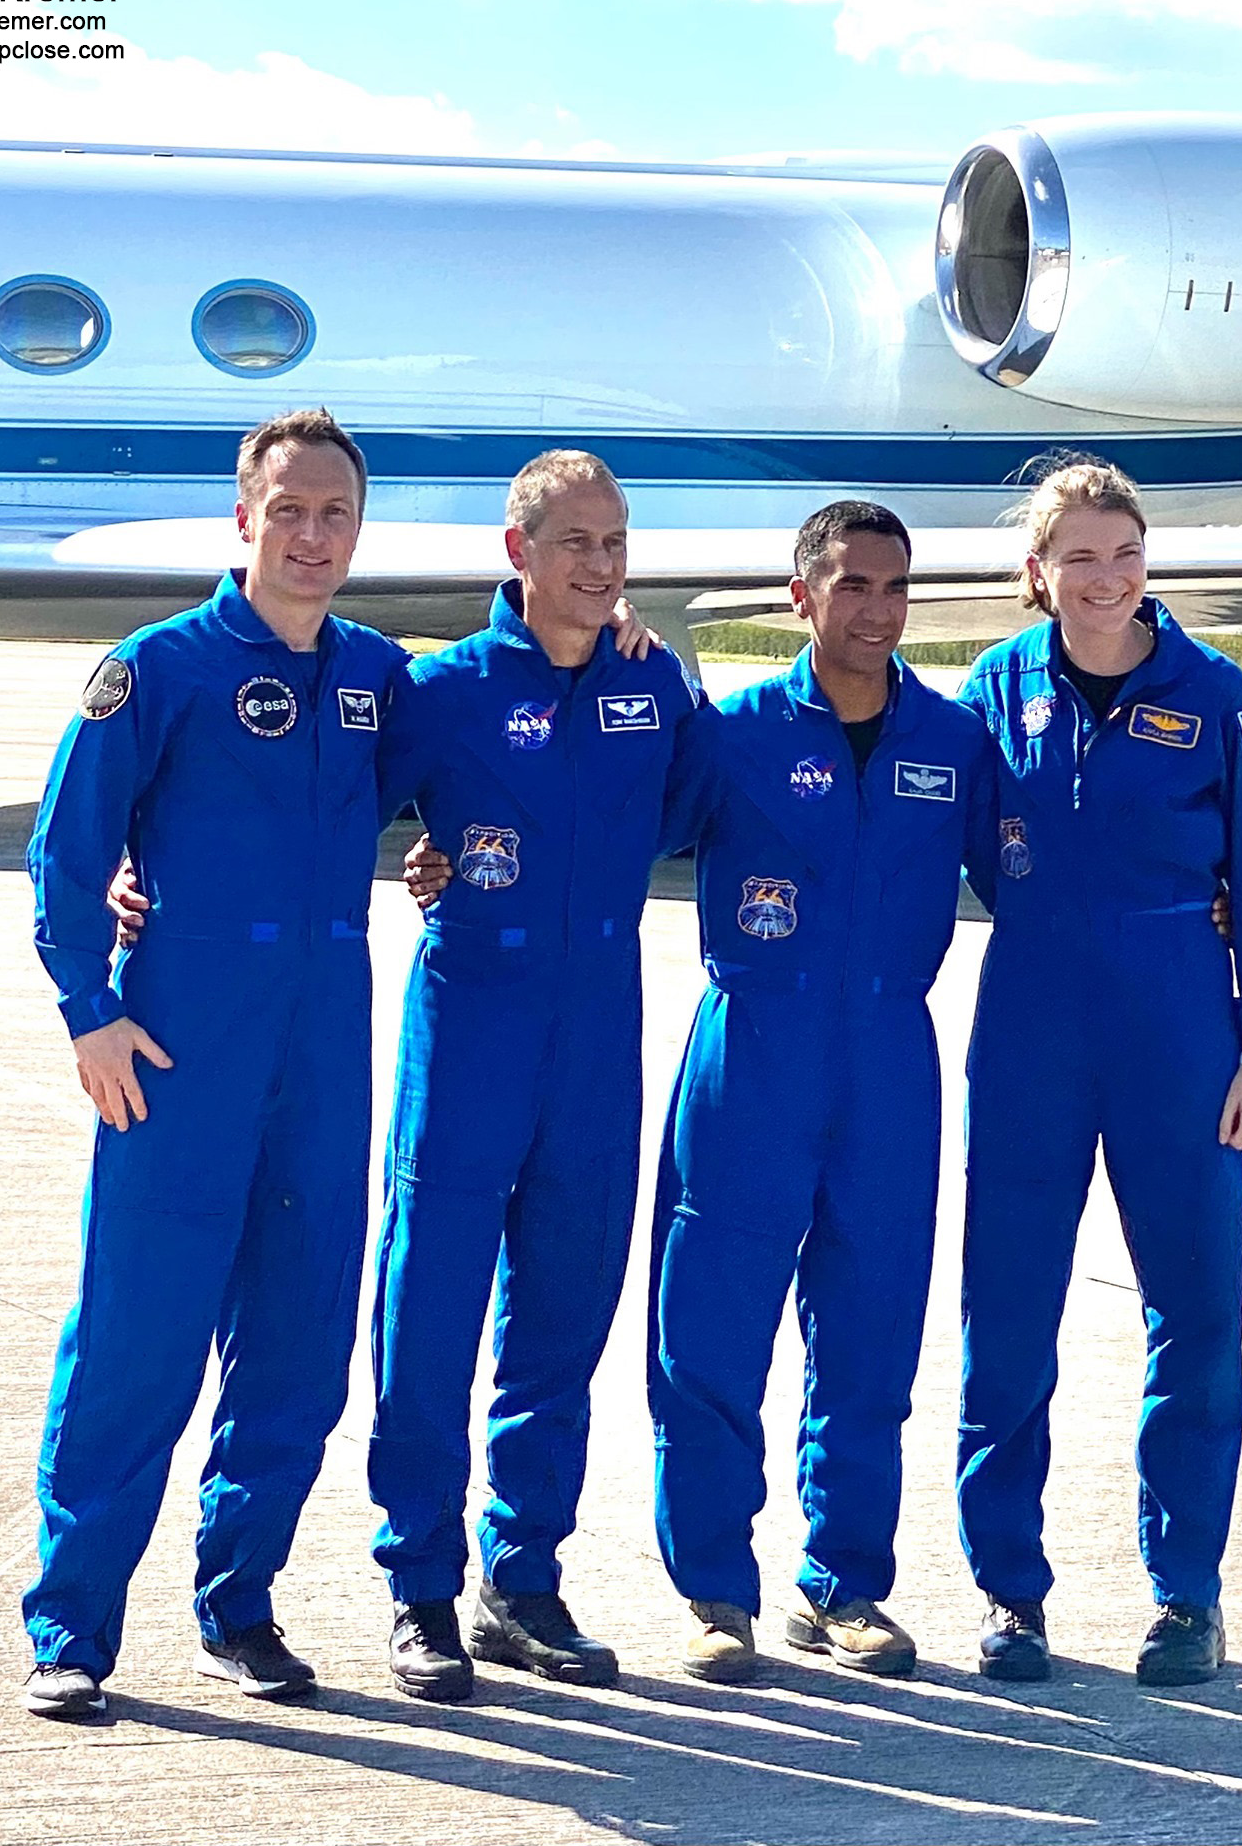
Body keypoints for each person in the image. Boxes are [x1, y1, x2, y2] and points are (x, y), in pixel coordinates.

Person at [20, 409, 409, 1718]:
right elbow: (70, 851)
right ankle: (71, 1625)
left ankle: (238, 1600)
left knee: (299, 1336)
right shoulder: (157, 670)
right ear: (243, 519)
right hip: (178, 1049)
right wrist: (88, 1007)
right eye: (288, 509)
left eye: (334, 513)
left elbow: (471, 770)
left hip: (323, 1048)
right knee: (139, 1332)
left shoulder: (375, 673)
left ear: (361, 529)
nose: (311, 534)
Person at [953, 457, 1242, 1688]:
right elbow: (959, 839)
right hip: (1030, 1035)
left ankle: (1187, 1594)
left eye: (1124, 554)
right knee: (1004, 1322)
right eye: (1079, 557)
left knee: (1196, 1324)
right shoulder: (995, 685)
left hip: (1178, 1037)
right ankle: (1008, 1591)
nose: (1104, 580)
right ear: (1034, 572)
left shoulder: (1213, 692)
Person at [641, 500, 999, 1684]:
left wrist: (1206, 899)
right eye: (851, 584)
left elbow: (1046, 870)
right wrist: (445, 861)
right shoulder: (730, 730)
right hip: (751, 1051)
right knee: (711, 1326)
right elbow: (598, 829)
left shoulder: (950, 744)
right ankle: (712, 1589)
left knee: (871, 1330)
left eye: (894, 587)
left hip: (890, 1060)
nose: (876, 610)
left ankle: (842, 1582)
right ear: (800, 595)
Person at [366, 451, 700, 1702]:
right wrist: (148, 889)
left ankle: (523, 1576)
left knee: (561, 1317)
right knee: (429, 1313)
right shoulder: (442, 689)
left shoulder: (650, 686)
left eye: (615, 544)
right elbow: (317, 813)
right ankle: (419, 1585)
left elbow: (727, 806)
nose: (601, 566)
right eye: (575, 543)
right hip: (470, 1036)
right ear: (517, 552)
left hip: (595, 1037)